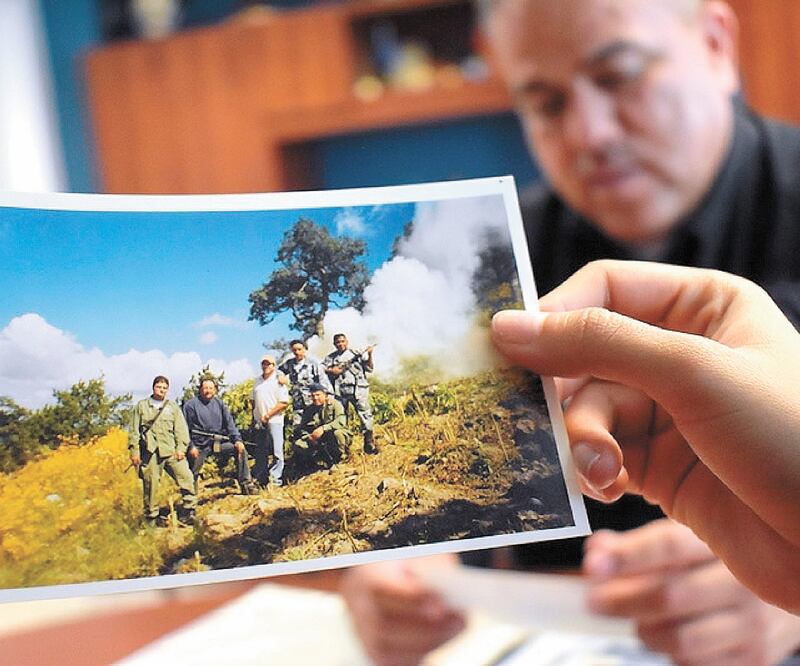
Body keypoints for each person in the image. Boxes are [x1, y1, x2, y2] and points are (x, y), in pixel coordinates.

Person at [340, 0, 800, 661]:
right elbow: (456, 517)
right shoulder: (492, 258)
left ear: (718, 44)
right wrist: (389, 569)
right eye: (546, 104)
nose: (589, 135)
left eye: (619, 76)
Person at [129, 375, 196, 528]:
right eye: (159, 387)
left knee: (186, 477)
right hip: (150, 452)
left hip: (171, 450)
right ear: (153, 387)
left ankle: (189, 510)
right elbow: (133, 431)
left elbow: (181, 430)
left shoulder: (172, 407)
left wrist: (181, 449)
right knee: (150, 485)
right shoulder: (141, 406)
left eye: (165, 388)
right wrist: (135, 453)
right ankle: (151, 518)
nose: (162, 390)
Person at [183, 377, 259, 496]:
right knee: (192, 471)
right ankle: (190, 500)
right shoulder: (190, 405)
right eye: (205, 388)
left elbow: (230, 424)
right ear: (200, 389)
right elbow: (184, 429)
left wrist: (238, 440)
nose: (208, 390)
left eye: (211, 388)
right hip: (198, 445)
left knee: (239, 449)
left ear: (215, 390)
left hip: (216, 443)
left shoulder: (220, 403)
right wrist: (190, 446)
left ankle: (246, 485)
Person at [323, 333, 377, 454]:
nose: (341, 344)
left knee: (365, 415)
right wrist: (332, 370)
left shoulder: (356, 353)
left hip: (358, 389)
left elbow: (369, 368)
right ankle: (344, 448)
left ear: (347, 341)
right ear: (334, 344)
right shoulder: (330, 358)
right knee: (341, 418)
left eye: (343, 341)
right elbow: (320, 368)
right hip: (340, 392)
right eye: (338, 342)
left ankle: (369, 443)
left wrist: (369, 354)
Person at [250, 354, 289, 487]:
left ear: (274, 366)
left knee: (277, 451)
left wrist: (268, 415)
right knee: (261, 452)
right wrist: (255, 417)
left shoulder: (278, 381)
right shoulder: (257, 381)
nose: (266, 366)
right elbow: (252, 400)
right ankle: (261, 479)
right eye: (264, 364)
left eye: (269, 364)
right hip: (260, 422)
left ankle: (275, 480)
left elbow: (283, 402)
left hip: (275, 421)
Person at [278, 339, 333, 429]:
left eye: (299, 349)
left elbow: (323, 380)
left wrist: (329, 395)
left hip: (313, 401)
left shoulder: (313, 363)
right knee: (298, 427)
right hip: (297, 402)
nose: (297, 352)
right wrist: (281, 376)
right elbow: (278, 370)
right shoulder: (290, 363)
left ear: (305, 349)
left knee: (315, 425)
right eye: (294, 350)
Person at [292, 383, 351, 467]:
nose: (315, 398)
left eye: (318, 395)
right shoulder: (309, 410)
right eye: (313, 396)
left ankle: (341, 459)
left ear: (325, 395)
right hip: (318, 439)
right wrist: (310, 437)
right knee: (299, 444)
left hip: (335, 435)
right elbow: (303, 428)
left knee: (338, 433)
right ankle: (314, 462)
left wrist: (323, 428)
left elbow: (340, 421)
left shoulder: (335, 404)